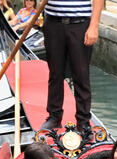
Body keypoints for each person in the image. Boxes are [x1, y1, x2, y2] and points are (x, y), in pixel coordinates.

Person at [39, 0, 104, 132]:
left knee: (81, 74)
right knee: (55, 73)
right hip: (53, 23)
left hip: (80, 24)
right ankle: (54, 116)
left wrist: (94, 26)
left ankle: (83, 120)